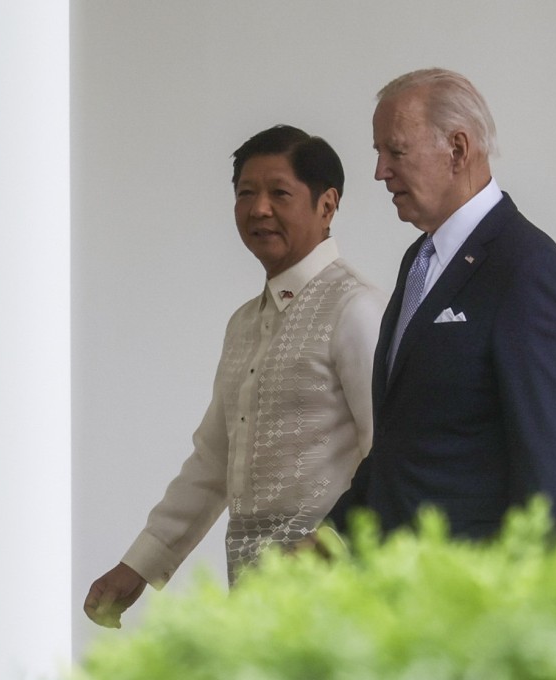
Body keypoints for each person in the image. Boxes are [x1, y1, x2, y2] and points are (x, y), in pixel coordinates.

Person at [85, 125, 386, 628]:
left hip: (337, 599)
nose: (259, 209)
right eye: (246, 193)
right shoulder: (245, 323)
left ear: (327, 205)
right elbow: (214, 458)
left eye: (279, 193)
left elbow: (391, 455)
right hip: (252, 598)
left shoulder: (356, 308)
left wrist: (330, 550)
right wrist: (138, 564)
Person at [328, 68, 556, 540]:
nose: (380, 171)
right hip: (400, 588)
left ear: (458, 149)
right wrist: (327, 538)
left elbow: (548, 466)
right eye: (378, 153)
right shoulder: (420, 260)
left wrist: (516, 596)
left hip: (472, 597)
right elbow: (401, 445)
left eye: (396, 151)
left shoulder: (526, 267)